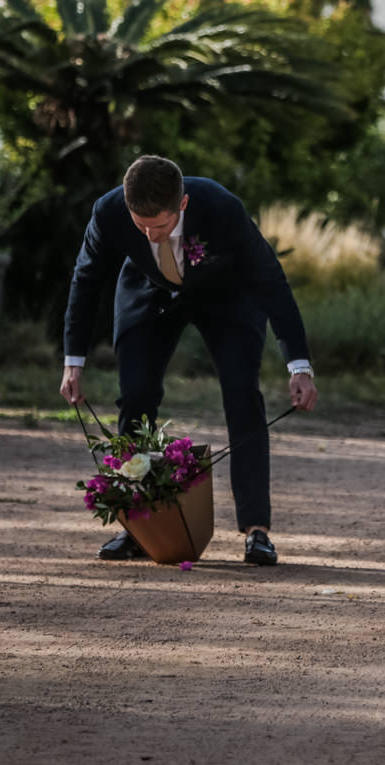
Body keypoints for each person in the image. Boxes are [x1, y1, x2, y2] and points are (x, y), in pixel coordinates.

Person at [59, 155, 318, 566]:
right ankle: (138, 528)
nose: (150, 235)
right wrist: (74, 361)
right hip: (148, 292)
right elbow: (86, 278)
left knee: (241, 392)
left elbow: (270, 280)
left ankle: (256, 530)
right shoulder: (108, 210)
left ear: (182, 205)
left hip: (227, 295)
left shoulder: (221, 208)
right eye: (140, 225)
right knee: (137, 394)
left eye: (159, 227)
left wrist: (298, 365)